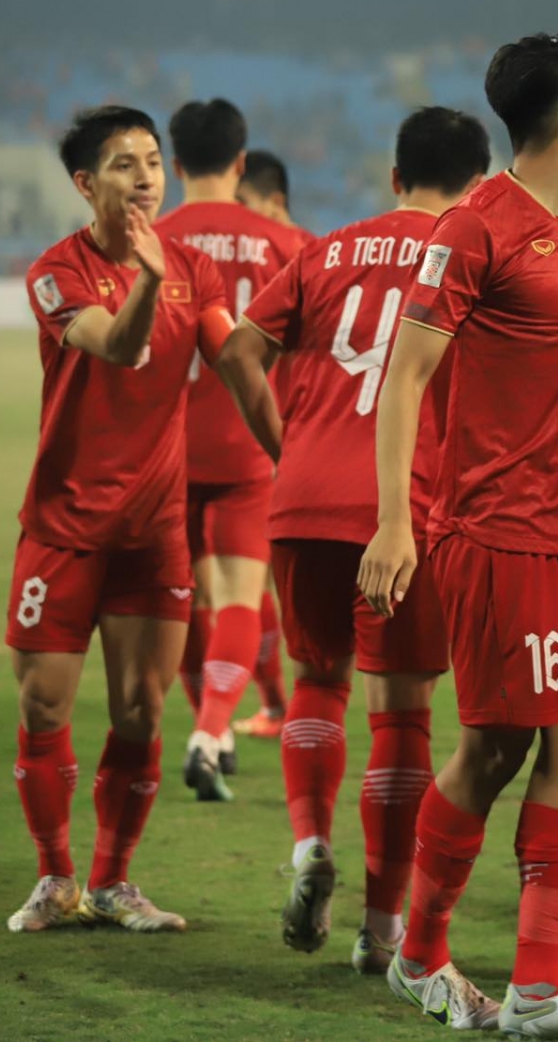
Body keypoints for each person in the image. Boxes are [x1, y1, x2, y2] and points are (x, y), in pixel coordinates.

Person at [358, 35, 558, 1041]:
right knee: (493, 749)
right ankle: (422, 953)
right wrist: (398, 518)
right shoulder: (478, 225)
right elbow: (405, 375)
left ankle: (538, 989)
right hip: (498, 532)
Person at [214, 108, 490, 971]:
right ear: (479, 185)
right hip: (398, 509)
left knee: (315, 682)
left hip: (301, 502)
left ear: (396, 177)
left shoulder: (325, 248)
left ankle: (307, 845)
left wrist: (284, 446)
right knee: (401, 715)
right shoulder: (474, 255)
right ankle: (380, 929)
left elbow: (237, 353)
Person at [5, 106, 232, 935]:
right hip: (64, 525)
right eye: (123, 165)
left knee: (141, 709)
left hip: (153, 530)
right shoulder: (53, 273)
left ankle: (113, 882)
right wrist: (145, 278)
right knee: (43, 707)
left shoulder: (196, 270)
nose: (144, 177)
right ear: (84, 183)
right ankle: (54, 876)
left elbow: (233, 357)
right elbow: (114, 345)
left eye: (152, 161)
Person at [157, 100, 302, 800]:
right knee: (243, 596)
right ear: (241, 163)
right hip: (249, 447)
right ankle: (212, 730)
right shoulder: (286, 243)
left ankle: (207, 731)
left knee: (183, 602)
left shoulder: (147, 242)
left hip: (160, 455)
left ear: (175, 164)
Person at [233, 147, 306, 741]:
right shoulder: (306, 255)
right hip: (267, 440)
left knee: (252, 585)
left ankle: (284, 704)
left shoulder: (312, 256)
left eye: (245, 204)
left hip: (290, 447)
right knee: (251, 585)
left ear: (273, 201)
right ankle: (277, 704)